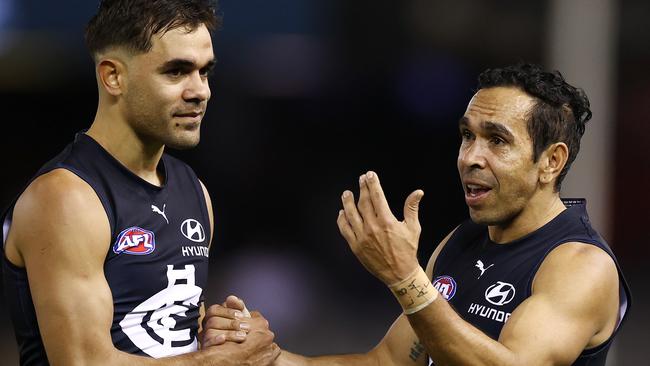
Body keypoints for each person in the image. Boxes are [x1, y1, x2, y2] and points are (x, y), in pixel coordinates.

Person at [208, 63, 631, 366]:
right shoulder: (461, 242)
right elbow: (386, 362)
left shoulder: (581, 265)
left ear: (551, 162)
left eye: (497, 141)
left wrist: (404, 277)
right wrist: (270, 358)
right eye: (467, 136)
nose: (470, 157)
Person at [0, 0, 279, 365]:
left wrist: (226, 337)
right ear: (113, 76)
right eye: (177, 72)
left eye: (204, 72)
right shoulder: (67, 197)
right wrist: (222, 362)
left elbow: (172, 343)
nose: (200, 91)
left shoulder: (192, 189)